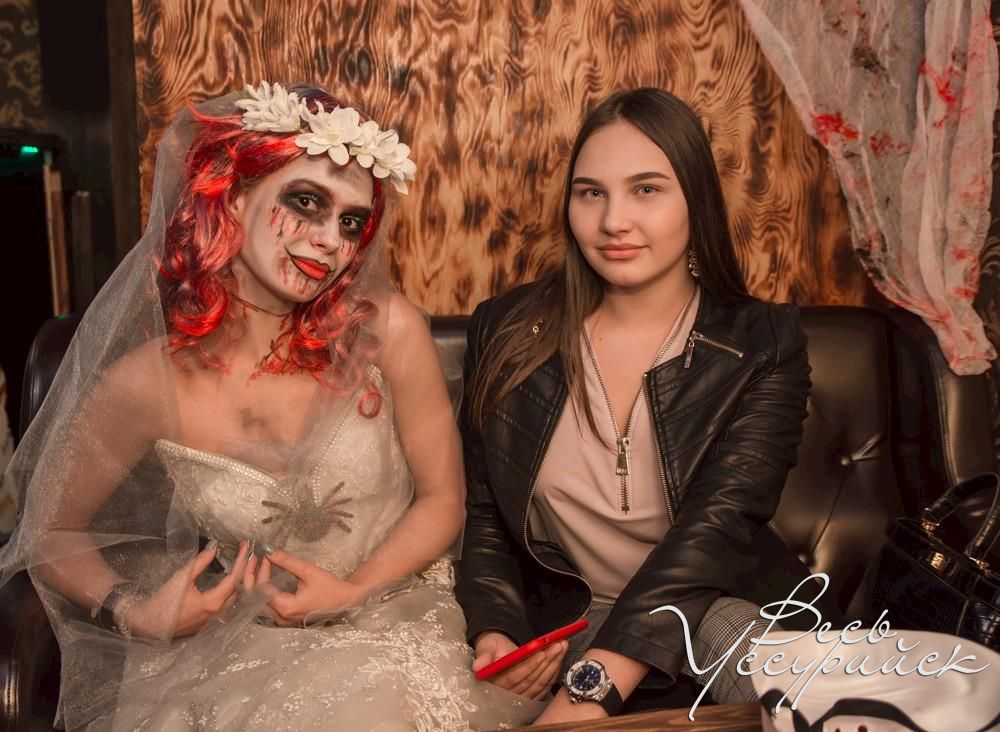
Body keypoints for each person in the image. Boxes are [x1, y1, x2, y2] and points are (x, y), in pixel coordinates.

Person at [0, 82, 543, 731]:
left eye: (351, 222)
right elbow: (48, 530)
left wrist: (354, 590)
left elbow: (442, 501)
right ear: (232, 196)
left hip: (389, 611)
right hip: (237, 639)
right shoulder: (146, 385)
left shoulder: (387, 331)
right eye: (306, 202)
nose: (330, 240)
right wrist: (136, 610)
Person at [455, 88, 842, 726]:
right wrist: (495, 629)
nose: (614, 221)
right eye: (591, 192)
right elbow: (486, 513)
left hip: (708, 604)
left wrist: (589, 694)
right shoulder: (505, 328)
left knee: (796, 693)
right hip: (567, 620)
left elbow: (715, 529)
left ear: (696, 200)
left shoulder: (762, 343)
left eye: (646, 190)